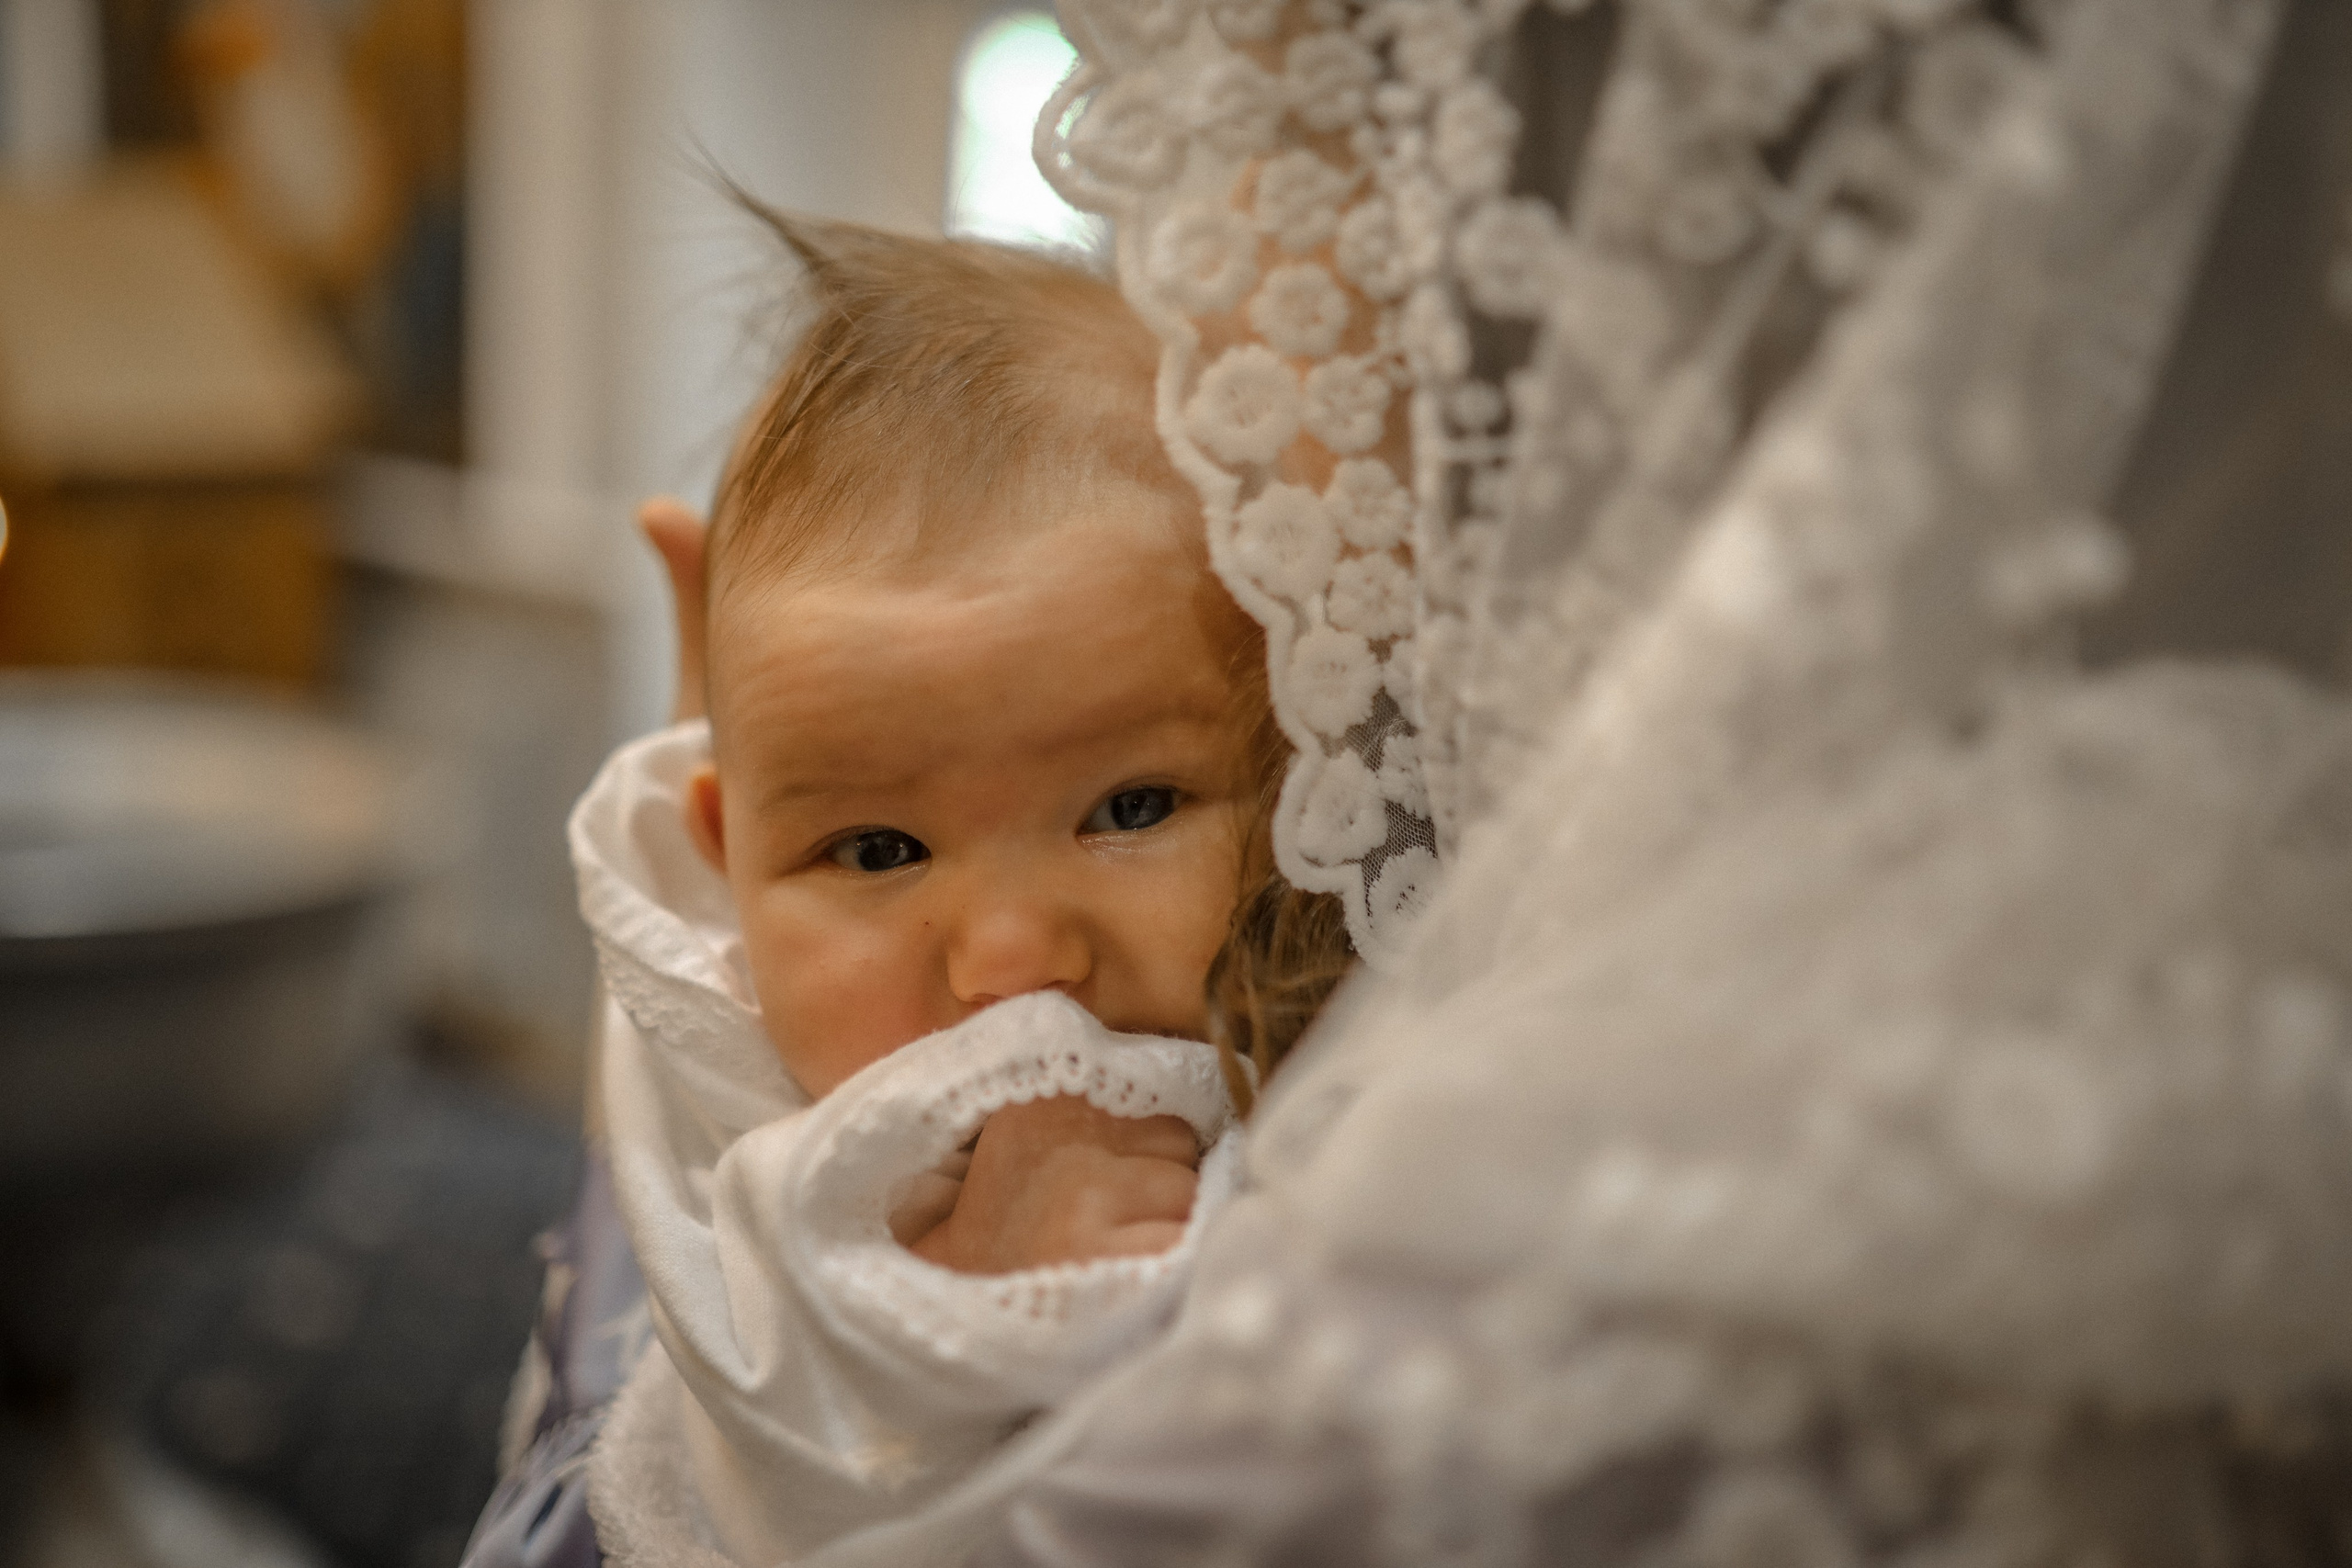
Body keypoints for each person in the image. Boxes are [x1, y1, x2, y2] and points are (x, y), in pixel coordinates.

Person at [466, 214, 1351, 1568]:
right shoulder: (758, 1071)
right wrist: (955, 1304)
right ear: (724, 852)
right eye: (879, 852)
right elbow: (779, 1437)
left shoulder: (1337, 1061)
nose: (1012, 959)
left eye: (1131, 810)